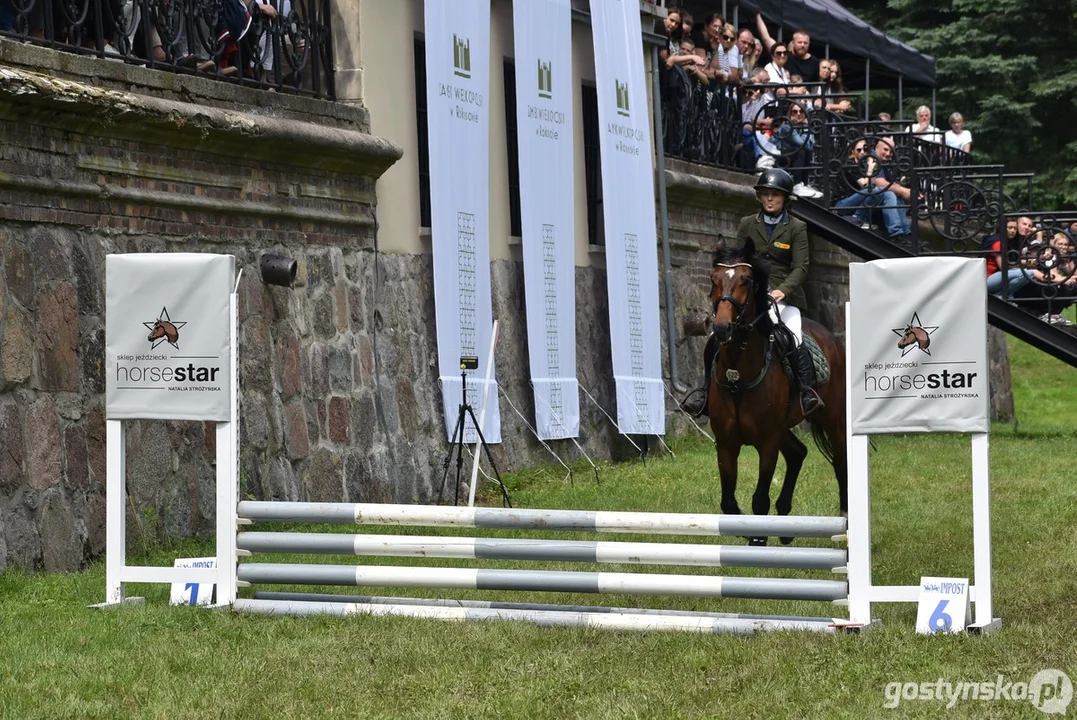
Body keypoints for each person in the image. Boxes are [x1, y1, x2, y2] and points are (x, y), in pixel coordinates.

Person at [680, 168, 825, 418]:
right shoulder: (748, 223)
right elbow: (736, 260)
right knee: (717, 336)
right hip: (749, 294)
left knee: (793, 337)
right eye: (765, 194)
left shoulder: (797, 227)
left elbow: (801, 266)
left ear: (785, 199)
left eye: (775, 195)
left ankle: (806, 392)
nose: (769, 199)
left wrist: (783, 290)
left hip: (783, 295)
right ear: (759, 197)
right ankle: (704, 392)